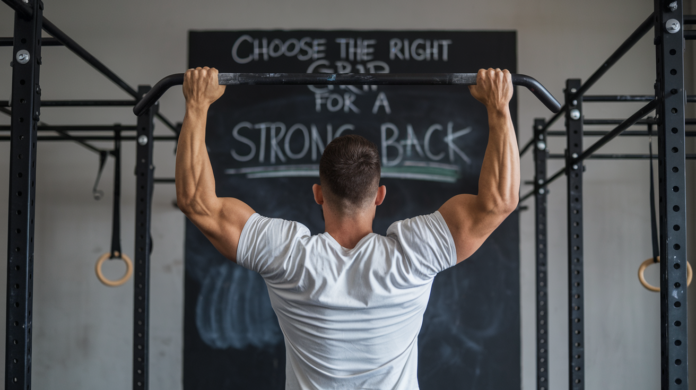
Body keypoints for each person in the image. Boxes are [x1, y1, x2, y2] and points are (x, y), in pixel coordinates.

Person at [176, 67, 519, 390]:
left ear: (317, 194)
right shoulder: (413, 255)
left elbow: (196, 202)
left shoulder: (287, 256)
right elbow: (499, 201)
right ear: (380, 195)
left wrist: (196, 105)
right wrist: (499, 107)